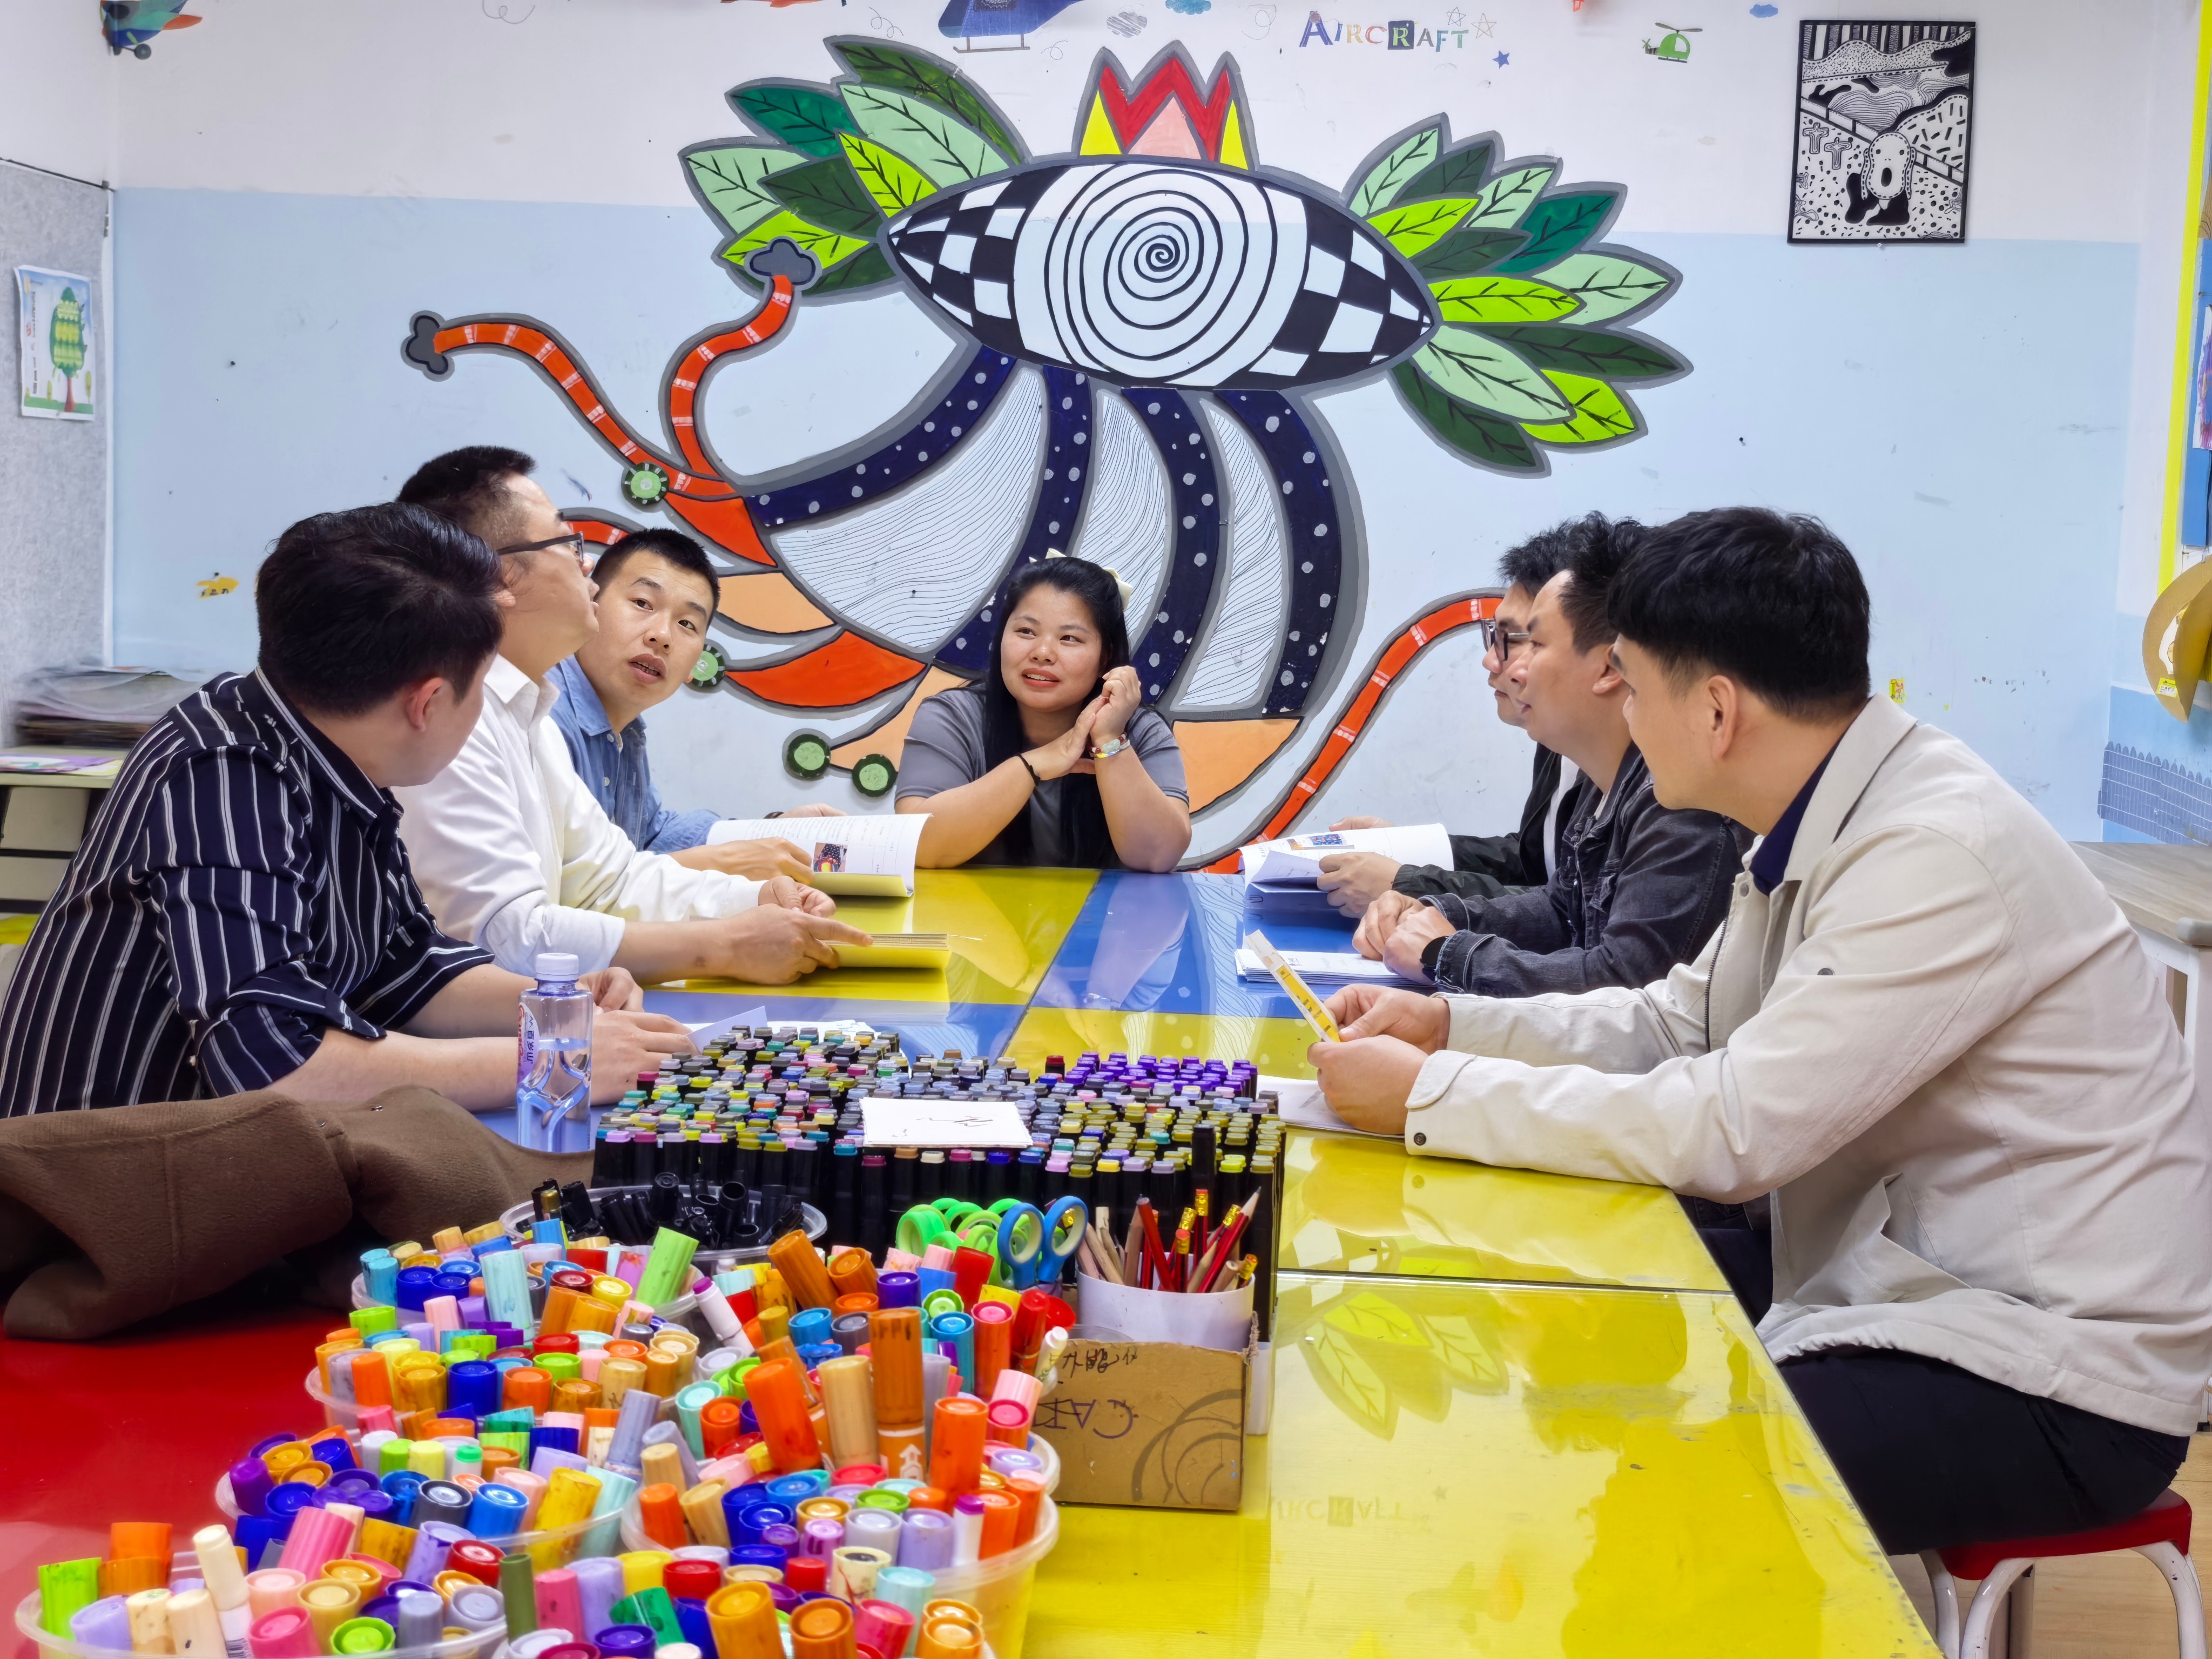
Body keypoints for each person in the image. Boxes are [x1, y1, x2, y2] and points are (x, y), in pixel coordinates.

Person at [1308, 507, 2212, 1556]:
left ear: (1716, 709)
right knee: (1567, 1281)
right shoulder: (1818, 816)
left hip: (2054, 1371)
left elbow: (1732, 1130)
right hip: (1900, 1278)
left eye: (1633, 688)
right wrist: (1449, 1026)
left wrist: (1429, 1096)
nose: (1628, 719)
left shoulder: (1934, 852)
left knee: (1669, 1479)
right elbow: (1675, 1020)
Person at [0, 503, 695, 1116]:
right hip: (104, 1180)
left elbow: (406, 968)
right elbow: (273, 1066)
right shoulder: (223, 771)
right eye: (484, 685)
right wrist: (550, 1057)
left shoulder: (333, 749)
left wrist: (553, 1003)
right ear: (427, 702)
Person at [393, 447, 870, 981]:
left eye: (689, 625)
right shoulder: (448, 718)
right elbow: (502, 939)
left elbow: (612, 881)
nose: (587, 570)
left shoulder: (526, 711)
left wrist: (757, 899)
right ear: (502, 577)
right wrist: (725, 945)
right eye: (567, 544)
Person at [1353, 515, 1750, 997]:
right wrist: (1437, 911)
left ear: (1611, 666)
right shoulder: (1603, 780)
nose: (1510, 669)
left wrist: (1448, 951)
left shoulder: (1685, 801)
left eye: (1533, 644)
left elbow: (1628, 985)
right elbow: (1563, 908)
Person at [1317, 525, 1592, 917]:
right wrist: (1408, 850)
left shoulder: (1646, 782)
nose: (1491, 661)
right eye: (1493, 635)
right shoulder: (1556, 738)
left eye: (1521, 640)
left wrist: (1409, 884)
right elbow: (1539, 863)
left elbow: (1572, 914)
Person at [547, 525, 837, 881]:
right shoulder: (541, 714)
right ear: (589, 605)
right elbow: (565, 884)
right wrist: (723, 861)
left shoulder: (624, 733)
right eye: (642, 603)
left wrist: (774, 830)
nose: (662, 636)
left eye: (687, 623)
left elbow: (652, 836)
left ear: (695, 666)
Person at [896, 557, 1191, 871]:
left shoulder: (1141, 731)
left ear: (1105, 658)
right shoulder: (953, 718)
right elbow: (917, 847)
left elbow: (1157, 857)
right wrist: (1034, 764)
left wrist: (1109, 739)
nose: (1042, 653)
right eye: (1026, 631)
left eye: (1069, 638)